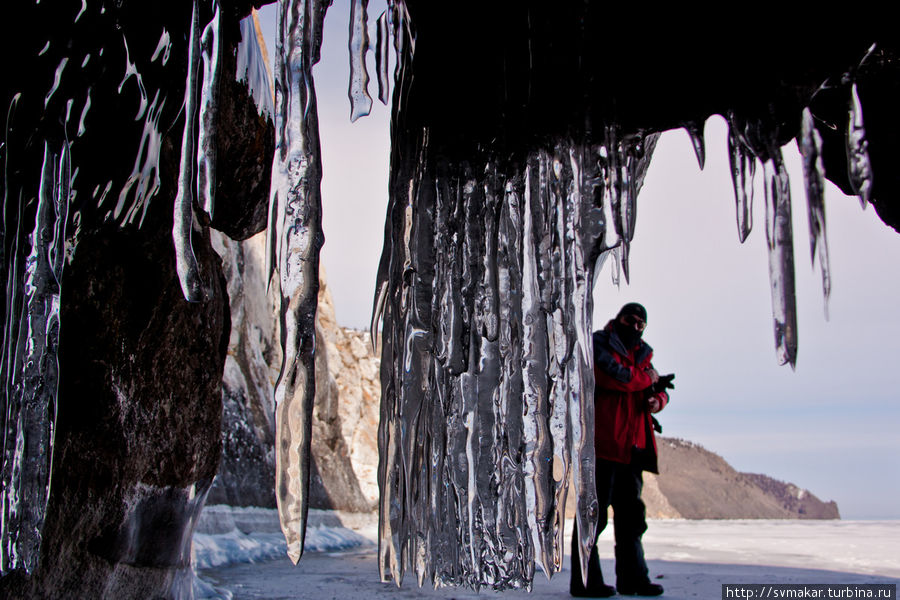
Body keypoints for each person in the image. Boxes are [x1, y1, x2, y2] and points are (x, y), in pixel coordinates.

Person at [570, 302, 674, 597]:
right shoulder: (599, 345)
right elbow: (615, 377)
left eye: (642, 324)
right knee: (594, 516)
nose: (636, 327)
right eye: (632, 320)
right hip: (604, 446)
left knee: (631, 520)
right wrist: (647, 379)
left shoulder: (643, 354)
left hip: (633, 447)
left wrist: (658, 400)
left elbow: (653, 388)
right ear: (619, 318)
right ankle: (585, 582)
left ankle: (633, 579)